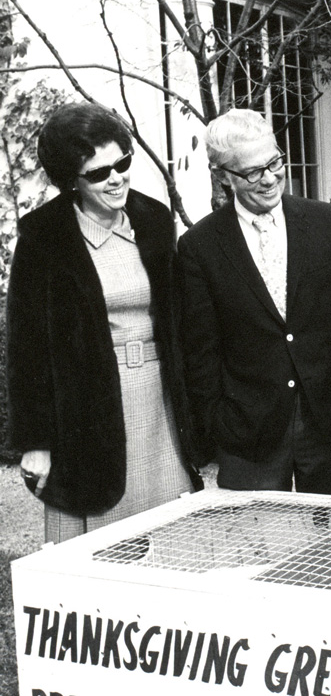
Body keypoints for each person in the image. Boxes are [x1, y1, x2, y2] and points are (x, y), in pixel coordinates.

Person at [8, 102, 202, 542]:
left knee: (169, 545)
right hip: (88, 409)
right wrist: (36, 442)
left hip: (160, 407)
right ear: (69, 180)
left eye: (122, 164)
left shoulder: (153, 219)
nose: (115, 179)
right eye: (98, 173)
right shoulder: (44, 237)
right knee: (99, 553)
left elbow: (179, 323)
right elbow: (27, 347)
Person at [177, 109, 331, 495]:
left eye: (274, 162)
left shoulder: (327, 223)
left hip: (326, 421)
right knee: (260, 547)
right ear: (222, 176)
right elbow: (200, 352)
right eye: (252, 172)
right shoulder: (199, 247)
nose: (269, 178)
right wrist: (219, 424)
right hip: (248, 432)